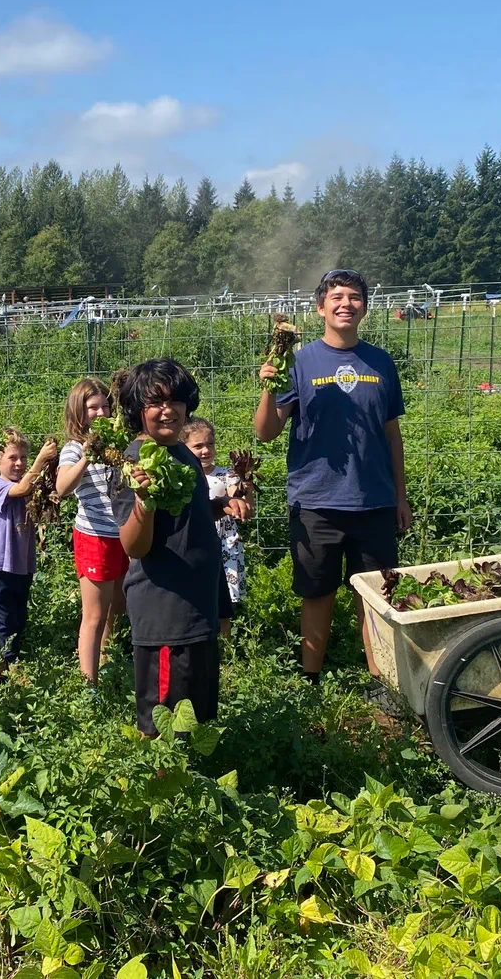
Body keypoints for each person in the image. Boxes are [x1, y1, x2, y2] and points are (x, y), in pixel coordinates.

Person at [252, 269, 411, 691]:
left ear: (365, 306)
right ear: (321, 307)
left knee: (375, 597)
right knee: (317, 594)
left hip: (374, 501)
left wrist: (401, 496)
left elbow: (391, 434)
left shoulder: (381, 362)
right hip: (316, 502)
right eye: (336, 296)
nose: (346, 303)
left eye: (355, 296)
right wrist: (269, 388)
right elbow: (265, 432)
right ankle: (311, 680)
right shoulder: (299, 362)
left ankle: (383, 682)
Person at [117, 359, 246, 736]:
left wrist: (220, 505)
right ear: (138, 408)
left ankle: (192, 788)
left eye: (174, 400)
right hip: (166, 613)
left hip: (197, 603)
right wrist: (143, 500)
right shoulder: (136, 461)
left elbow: (183, 513)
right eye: (154, 402)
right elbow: (134, 545)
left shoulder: (179, 452)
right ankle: (158, 789)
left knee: (196, 716)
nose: (167, 409)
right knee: (162, 724)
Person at [56, 377, 133, 687]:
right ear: (78, 412)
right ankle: (88, 685)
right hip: (95, 537)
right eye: (93, 408)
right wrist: (89, 453)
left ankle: (107, 661)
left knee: (118, 606)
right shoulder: (74, 448)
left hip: (125, 535)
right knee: (94, 615)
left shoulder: (119, 443)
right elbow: (61, 487)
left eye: (105, 406)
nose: (101, 413)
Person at [0, 429, 59, 672]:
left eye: (23, 458)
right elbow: (22, 488)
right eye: (12, 458)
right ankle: (8, 666)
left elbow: (36, 486)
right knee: (3, 620)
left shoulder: (30, 485)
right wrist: (41, 459)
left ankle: (15, 663)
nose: (19, 463)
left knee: (18, 617)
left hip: (22, 565)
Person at [180, 417, 254, 638]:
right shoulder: (184, 476)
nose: (205, 450)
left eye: (209, 444)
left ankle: (226, 650)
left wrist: (244, 489)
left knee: (223, 605)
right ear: (184, 447)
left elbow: (240, 505)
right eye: (198, 446)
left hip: (224, 542)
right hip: (196, 543)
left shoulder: (226, 475)